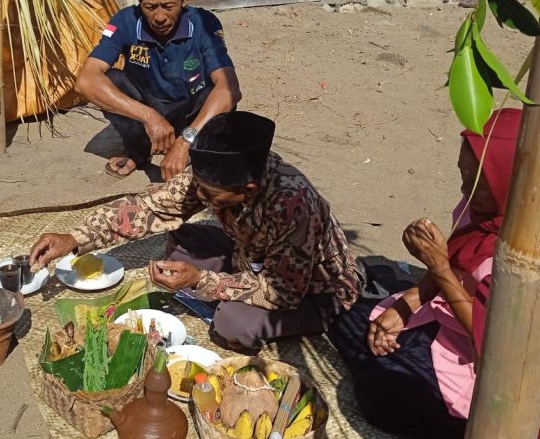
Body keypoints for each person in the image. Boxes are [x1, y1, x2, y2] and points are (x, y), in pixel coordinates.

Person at [328, 108, 540, 438]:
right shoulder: (484, 210)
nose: (466, 191)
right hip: (458, 324)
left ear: (512, 181)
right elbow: (459, 261)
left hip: (494, 366)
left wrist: (438, 267)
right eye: (463, 176)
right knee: (352, 314)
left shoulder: (534, 258)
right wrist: (407, 305)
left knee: (380, 388)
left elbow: (503, 344)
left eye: (478, 184)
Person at [29, 111, 363, 351]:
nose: (200, 197)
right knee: (181, 239)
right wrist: (75, 238)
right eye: (198, 187)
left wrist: (199, 281)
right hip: (248, 258)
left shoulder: (292, 205)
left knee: (233, 323)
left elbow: (282, 293)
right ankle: (231, 277)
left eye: (211, 195)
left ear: (248, 189)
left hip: (309, 290)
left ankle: (320, 315)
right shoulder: (214, 175)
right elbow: (149, 208)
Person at [74, 0, 241, 181]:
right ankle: (138, 149)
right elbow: (86, 81)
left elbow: (230, 89)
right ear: (139, 0)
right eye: (150, 7)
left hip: (190, 111)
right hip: (147, 108)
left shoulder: (204, 23)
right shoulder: (125, 21)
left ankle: (190, 149)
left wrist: (184, 142)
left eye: (168, 6)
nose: (159, 16)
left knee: (219, 93)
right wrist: (149, 117)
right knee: (110, 80)